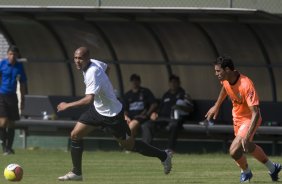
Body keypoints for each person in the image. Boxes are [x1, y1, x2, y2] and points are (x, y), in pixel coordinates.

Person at [57, 47, 172, 181]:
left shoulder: (92, 72)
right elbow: (107, 68)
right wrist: (104, 86)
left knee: (129, 145)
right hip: (97, 110)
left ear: (87, 58)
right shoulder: (94, 63)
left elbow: (88, 99)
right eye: (75, 58)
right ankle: (77, 173)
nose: (77, 61)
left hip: (112, 114)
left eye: (80, 58)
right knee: (75, 135)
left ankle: (164, 155)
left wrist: (67, 105)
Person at [205, 56, 281, 182]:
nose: (216, 74)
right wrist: (216, 105)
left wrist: (246, 136)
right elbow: (225, 88)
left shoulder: (246, 84)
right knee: (248, 146)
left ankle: (246, 172)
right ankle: (273, 168)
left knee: (234, 150)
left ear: (228, 69)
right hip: (237, 118)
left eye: (218, 71)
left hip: (250, 119)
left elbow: (255, 113)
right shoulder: (225, 79)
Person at [142, 74, 194, 152]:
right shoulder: (166, 94)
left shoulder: (184, 94)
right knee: (146, 125)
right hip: (162, 118)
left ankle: (170, 149)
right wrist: (154, 113)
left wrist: (179, 107)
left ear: (179, 83)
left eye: (175, 82)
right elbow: (160, 108)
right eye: (171, 82)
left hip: (175, 119)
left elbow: (190, 109)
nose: (173, 84)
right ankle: (146, 148)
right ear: (169, 83)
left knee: (174, 125)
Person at [0, 45, 27, 155]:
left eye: (14, 54)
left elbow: (22, 84)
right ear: (7, 54)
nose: (12, 56)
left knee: (11, 123)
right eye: (11, 54)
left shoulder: (19, 67)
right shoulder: (2, 64)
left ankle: (9, 148)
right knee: (3, 122)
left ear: (17, 55)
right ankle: (4, 146)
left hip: (13, 96)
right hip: (1, 95)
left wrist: (23, 100)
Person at [123, 74, 158, 138]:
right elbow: (124, 109)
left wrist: (147, 114)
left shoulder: (145, 92)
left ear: (139, 82)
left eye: (136, 80)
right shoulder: (127, 95)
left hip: (142, 117)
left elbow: (154, 104)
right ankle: (130, 145)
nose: (135, 82)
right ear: (131, 82)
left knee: (132, 126)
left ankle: (126, 143)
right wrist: (126, 117)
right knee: (127, 126)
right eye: (133, 80)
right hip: (131, 118)